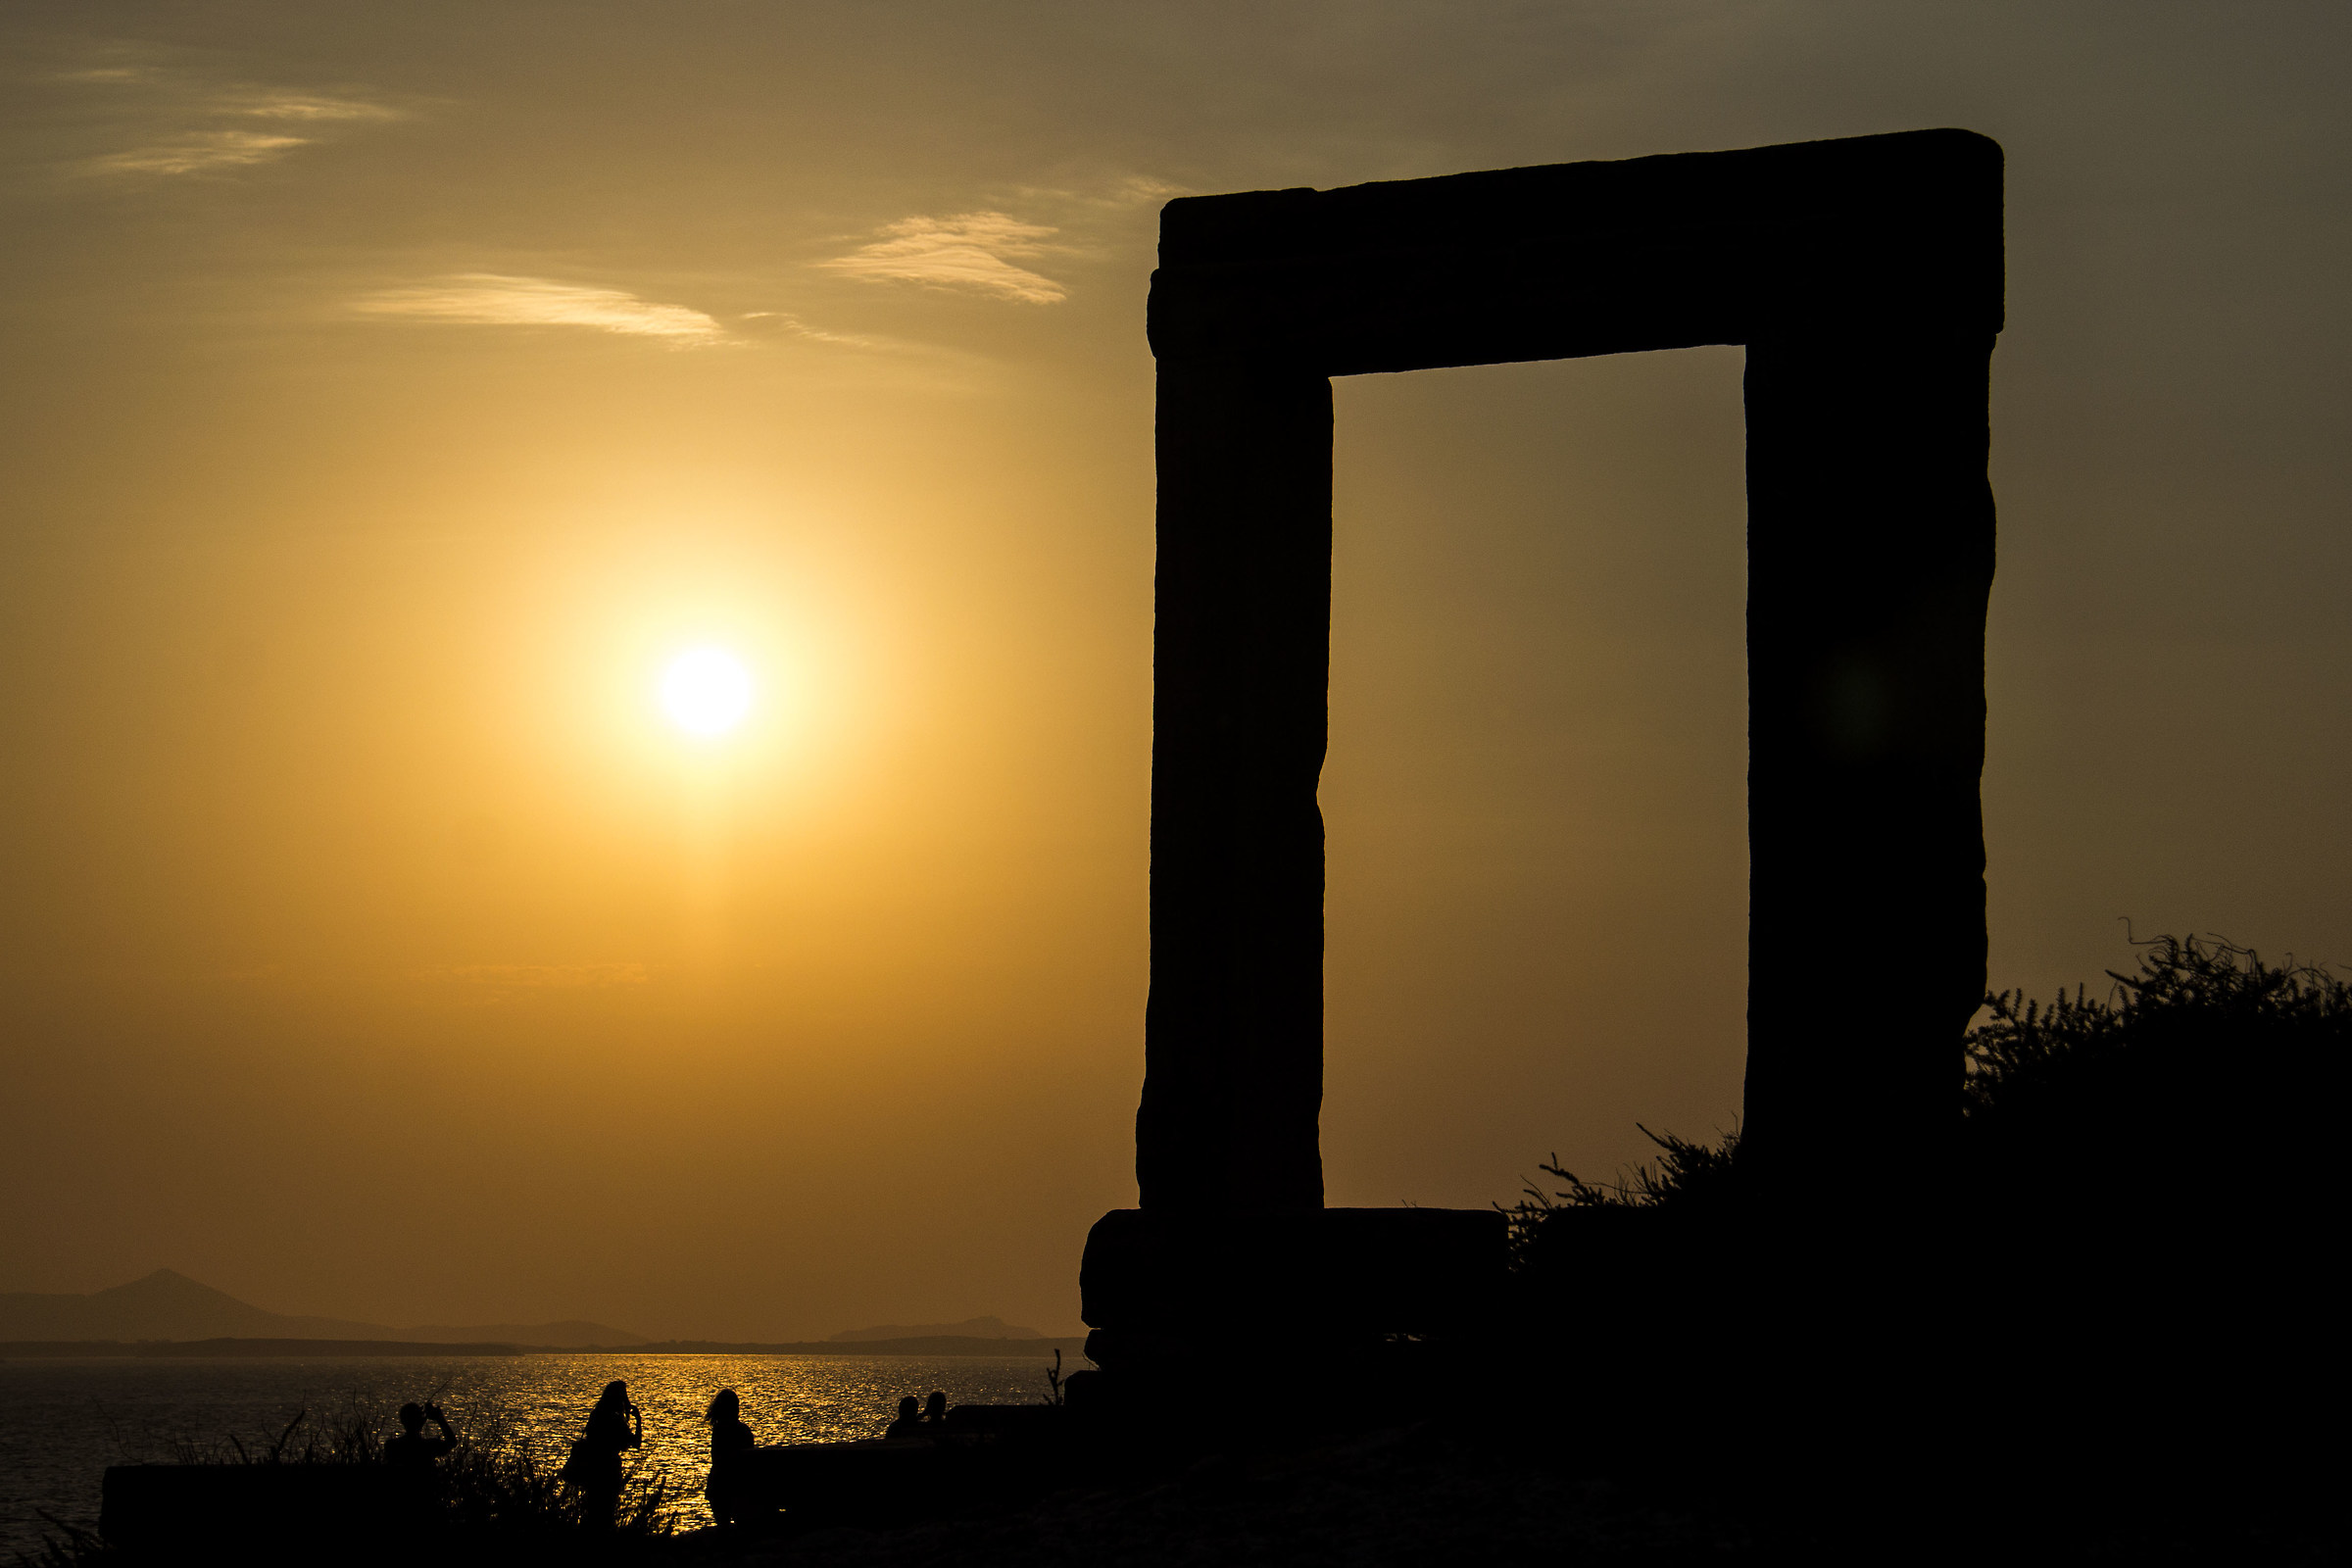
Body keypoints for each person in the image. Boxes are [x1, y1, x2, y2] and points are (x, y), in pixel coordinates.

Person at [562, 1380, 643, 1523]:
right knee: (606, 1513)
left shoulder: (596, 1414)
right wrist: (638, 1421)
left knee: (592, 1510)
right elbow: (636, 1443)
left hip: (592, 1469)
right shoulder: (616, 1420)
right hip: (608, 1470)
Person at [704, 1389, 755, 1526]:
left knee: (723, 1526)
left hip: (720, 1486)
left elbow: (717, 1459)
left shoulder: (719, 1430)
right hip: (737, 1486)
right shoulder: (743, 1430)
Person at [384, 1400, 455, 1471]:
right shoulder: (429, 1446)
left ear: (402, 1421)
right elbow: (452, 1442)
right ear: (421, 1421)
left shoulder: (391, 1445)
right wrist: (439, 1418)